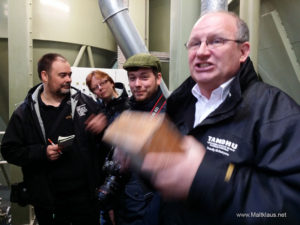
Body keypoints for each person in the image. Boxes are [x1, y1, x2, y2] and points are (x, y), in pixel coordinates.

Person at [139, 11, 300, 225]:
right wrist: (139, 159)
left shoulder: (277, 113)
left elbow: (288, 209)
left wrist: (207, 176)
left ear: (243, 51)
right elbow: (165, 178)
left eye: (216, 41)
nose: (202, 52)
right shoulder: (179, 103)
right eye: (195, 44)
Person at [1, 53, 108, 225]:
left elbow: (104, 141)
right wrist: (41, 153)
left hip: (85, 198)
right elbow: (9, 150)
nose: (68, 79)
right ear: (45, 76)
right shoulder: (25, 113)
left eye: (70, 74)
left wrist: (104, 127)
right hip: (49, 201)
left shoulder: (84, 103)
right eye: (62, 75)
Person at [113, 53, 167, 225]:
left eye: (144, 77)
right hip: (125, 204)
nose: (137, 84)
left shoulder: (171, 115)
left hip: (151, 210)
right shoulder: (127, 111)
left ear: (158, 78)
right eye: (132, 78)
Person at [86, 70, 130, 225]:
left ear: (111, 82)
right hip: (102, 178)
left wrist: (105, 130)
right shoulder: (97, 110)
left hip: (121, 179)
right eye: (94, 88)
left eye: (103, 83)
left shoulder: (128, 107)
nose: (100, 88)